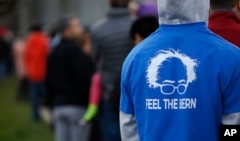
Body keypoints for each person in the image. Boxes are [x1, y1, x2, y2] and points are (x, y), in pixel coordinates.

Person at [120, 0, 240, 141]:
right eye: (166, 87)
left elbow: (128, 127)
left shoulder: (134, 59)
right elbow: (233, 124)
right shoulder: (231, 57)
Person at [45, 14, 95, 141]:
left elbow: (48, 81)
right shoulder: (75, 51)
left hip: (58, 107)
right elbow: (85, 78)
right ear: (67, 30)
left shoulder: (53, 52)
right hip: (77, 106)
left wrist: (50, 104)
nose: (81, 29)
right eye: (77, 26)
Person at [91, 0, 134, 140]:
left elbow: (95, 59)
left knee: (112, 134)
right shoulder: (137, 26)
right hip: (134, 90)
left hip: (109, 91)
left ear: (109, 3)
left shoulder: (98, 29)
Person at [24, 23, 49, 122]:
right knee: (45, 95)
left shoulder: (29, 41)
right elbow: (47, 55)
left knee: (34, 96)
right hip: (43, 72)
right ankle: (48, 114)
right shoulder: (43, 40)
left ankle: (35, 116)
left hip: (32, 73)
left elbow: (27, 56)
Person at [12, 36, 29, 102]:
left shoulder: (17, 45)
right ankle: (21, 96)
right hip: (24, 66)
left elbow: (13, 55)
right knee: (24, 83)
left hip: (20, 65)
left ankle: (22, 95)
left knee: (23, 82)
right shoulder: (23, 46)